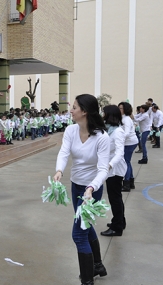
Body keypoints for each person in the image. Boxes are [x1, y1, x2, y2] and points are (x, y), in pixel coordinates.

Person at [54, 94, 109, 285]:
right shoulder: (70, 130)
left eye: (74, 107)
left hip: (91, 191)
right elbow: (64, 152)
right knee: (86, 227)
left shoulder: (102, 137)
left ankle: (87, 280)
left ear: (84, 111)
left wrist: (92, 187)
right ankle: (98, 265)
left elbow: (103, 169)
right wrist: (59, 170)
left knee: (78, 233)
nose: (71, 110)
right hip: (76, 186)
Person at [101, 105, 127, 237]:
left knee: (114, 198)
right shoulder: (109, 129)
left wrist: (109, 165)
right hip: (111, 168)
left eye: (104, 113)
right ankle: (120, 221)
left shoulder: (118, 132)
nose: (102, 115)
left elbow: (119, 153)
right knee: (116, 197)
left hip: (115, 170)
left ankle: (117, 228)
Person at [118, 102, 138, 191]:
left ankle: (126, 184)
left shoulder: (126, 119)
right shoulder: (123, 118)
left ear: (125, 109)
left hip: (129, 143)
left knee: (126, 162)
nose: (119, 110)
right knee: (127, 162)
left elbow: (126, 133)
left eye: (120, 108)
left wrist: (119, 139)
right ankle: (131, 182)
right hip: (127, 142)